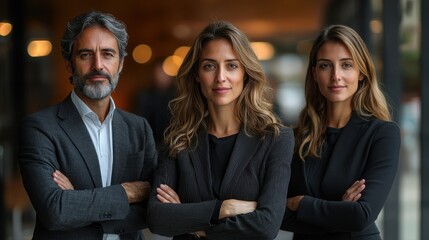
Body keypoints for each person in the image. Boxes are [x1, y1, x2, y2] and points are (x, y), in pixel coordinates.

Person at [146, 21, 294, 240]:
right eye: (209, 66)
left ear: (246, 72)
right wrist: (223, 209)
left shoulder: (276, 139)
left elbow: (267, 225)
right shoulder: (177, 140)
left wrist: (193, 225)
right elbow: (157, 218)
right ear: (197, 74)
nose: (220, 77)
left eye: (232, 66)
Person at [18, 11, 157, 239]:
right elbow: (56, 210)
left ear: (121, 63)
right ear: (69, 64)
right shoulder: (39, 128)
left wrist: (79, 202)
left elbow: (156, 211)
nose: (98, 65)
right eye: (85, 55)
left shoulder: (139, 128)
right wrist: (129, 192)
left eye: (108, 54)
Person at [280, 24, 401, 239]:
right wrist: (339, 211)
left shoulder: (382, 134)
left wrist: (300, 203)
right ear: (315, 74)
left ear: (361, 72)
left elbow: (361, 215)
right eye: (326, 66)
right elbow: (276, 214)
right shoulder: (295, 137)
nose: (336, 76)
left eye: (346, 65)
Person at [134, 61, 175, 148]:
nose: (160, 76)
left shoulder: (177, 96)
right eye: (157, 73)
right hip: (150, 143)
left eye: (162, 73)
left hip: (172, 143)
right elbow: (139, 121)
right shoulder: (144, 95)